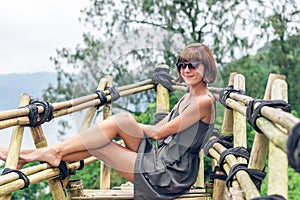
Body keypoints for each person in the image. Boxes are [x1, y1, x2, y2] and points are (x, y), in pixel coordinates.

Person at [19, 43, 218, 199]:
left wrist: (128, 126)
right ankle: (44, 153)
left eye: (192, 65)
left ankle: (44, 153)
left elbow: (158, 133)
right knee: (115, 127)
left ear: (206, 69)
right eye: (181, 65)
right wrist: (127, 126)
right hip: (162, 158)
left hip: (170, 175)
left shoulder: (203, 102)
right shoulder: (188, 96)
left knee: (108, 138)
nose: (186, 70)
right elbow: (158, 128)